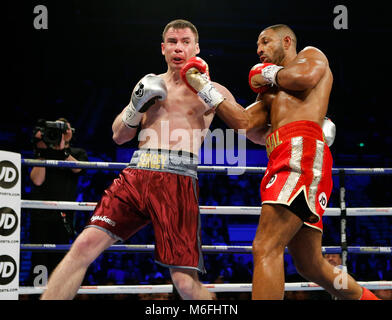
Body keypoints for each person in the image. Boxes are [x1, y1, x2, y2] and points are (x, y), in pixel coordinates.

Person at [40, 19, 245, 300]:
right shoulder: (150, 84)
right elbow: (118, 136)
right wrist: (136, 108)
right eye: (172, 42)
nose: (178, 48)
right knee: (83, 246)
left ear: (197, 48)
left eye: (186, 42)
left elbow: (249, 129)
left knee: (184, 283)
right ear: (163, 48)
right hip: (136, 175)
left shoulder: (214, 91)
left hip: (178, 179)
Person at [181, 24, 380, 300]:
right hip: (282, 158)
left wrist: (265, 72)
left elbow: (304, 77)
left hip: (302, 154)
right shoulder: (270, 94)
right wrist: (204, 86)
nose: (259, 50)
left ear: (287, 41)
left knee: (265, 246)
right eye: (257, 46)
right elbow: (243, 123)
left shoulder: (311, 56)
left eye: (265, 42)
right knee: (311, 265)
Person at [29, 118, 88, 281]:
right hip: (41, 214)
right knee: (39, 261)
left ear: (71, 133)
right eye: (56, 129)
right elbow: (37, 180)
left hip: (64, 215)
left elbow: (78, 169)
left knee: (60, 260)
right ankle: (39, 295)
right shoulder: (42, 152)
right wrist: (43, 151)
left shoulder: (78, 153)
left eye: (64, 129)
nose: (61, 133)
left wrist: (62, 150)